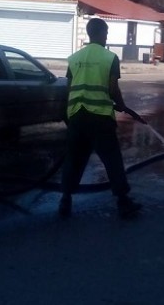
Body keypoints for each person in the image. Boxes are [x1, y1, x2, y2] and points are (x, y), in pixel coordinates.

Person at [58, 18, 142, 219]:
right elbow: (113, 88)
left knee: (73, 159)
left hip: (77, 115)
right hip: (100, 118)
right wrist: (120, 104)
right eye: (106, 33)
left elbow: (69, 88)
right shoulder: (109, 58)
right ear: (101, 33)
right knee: (112, 159)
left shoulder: (74, 58)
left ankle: (65, 200)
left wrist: (68, 115)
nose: (106, 36)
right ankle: (123, 202)